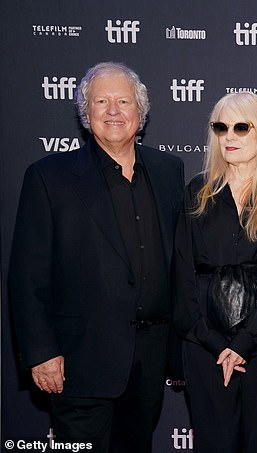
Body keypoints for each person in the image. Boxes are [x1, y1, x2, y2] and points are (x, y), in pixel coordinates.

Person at [9, 62, 184, 452]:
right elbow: (27, 275)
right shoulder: (49, 177)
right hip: (79, 361)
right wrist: (41, 352)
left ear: (140, 113)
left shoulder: (168, 170)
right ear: (86, 115)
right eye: (101, 102)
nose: (113, 111)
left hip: (150, 360)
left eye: (123, 101)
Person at [173, 92, 257, 453]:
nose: (228, 136)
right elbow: (181, 276)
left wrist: (242, 344)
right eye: (221, 127)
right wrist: (218, 346)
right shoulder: (196, 193)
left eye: (241, 127)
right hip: (204, 347)